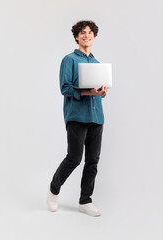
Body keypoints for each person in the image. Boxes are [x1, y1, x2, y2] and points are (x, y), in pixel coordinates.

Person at [47, 20, 108, 217]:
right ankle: (54, 189)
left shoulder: (98, 64)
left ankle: (85, 201)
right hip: (76, 116)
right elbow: (64, 88)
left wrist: (101, 91)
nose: (86, 35)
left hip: (96, 117)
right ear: (76, 36)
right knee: (74, 158)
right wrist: (87, 91)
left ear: (94, 37)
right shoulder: (69, 60)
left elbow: (100, 93)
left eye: (90, 33)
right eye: (82, 32)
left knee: (93, 161)